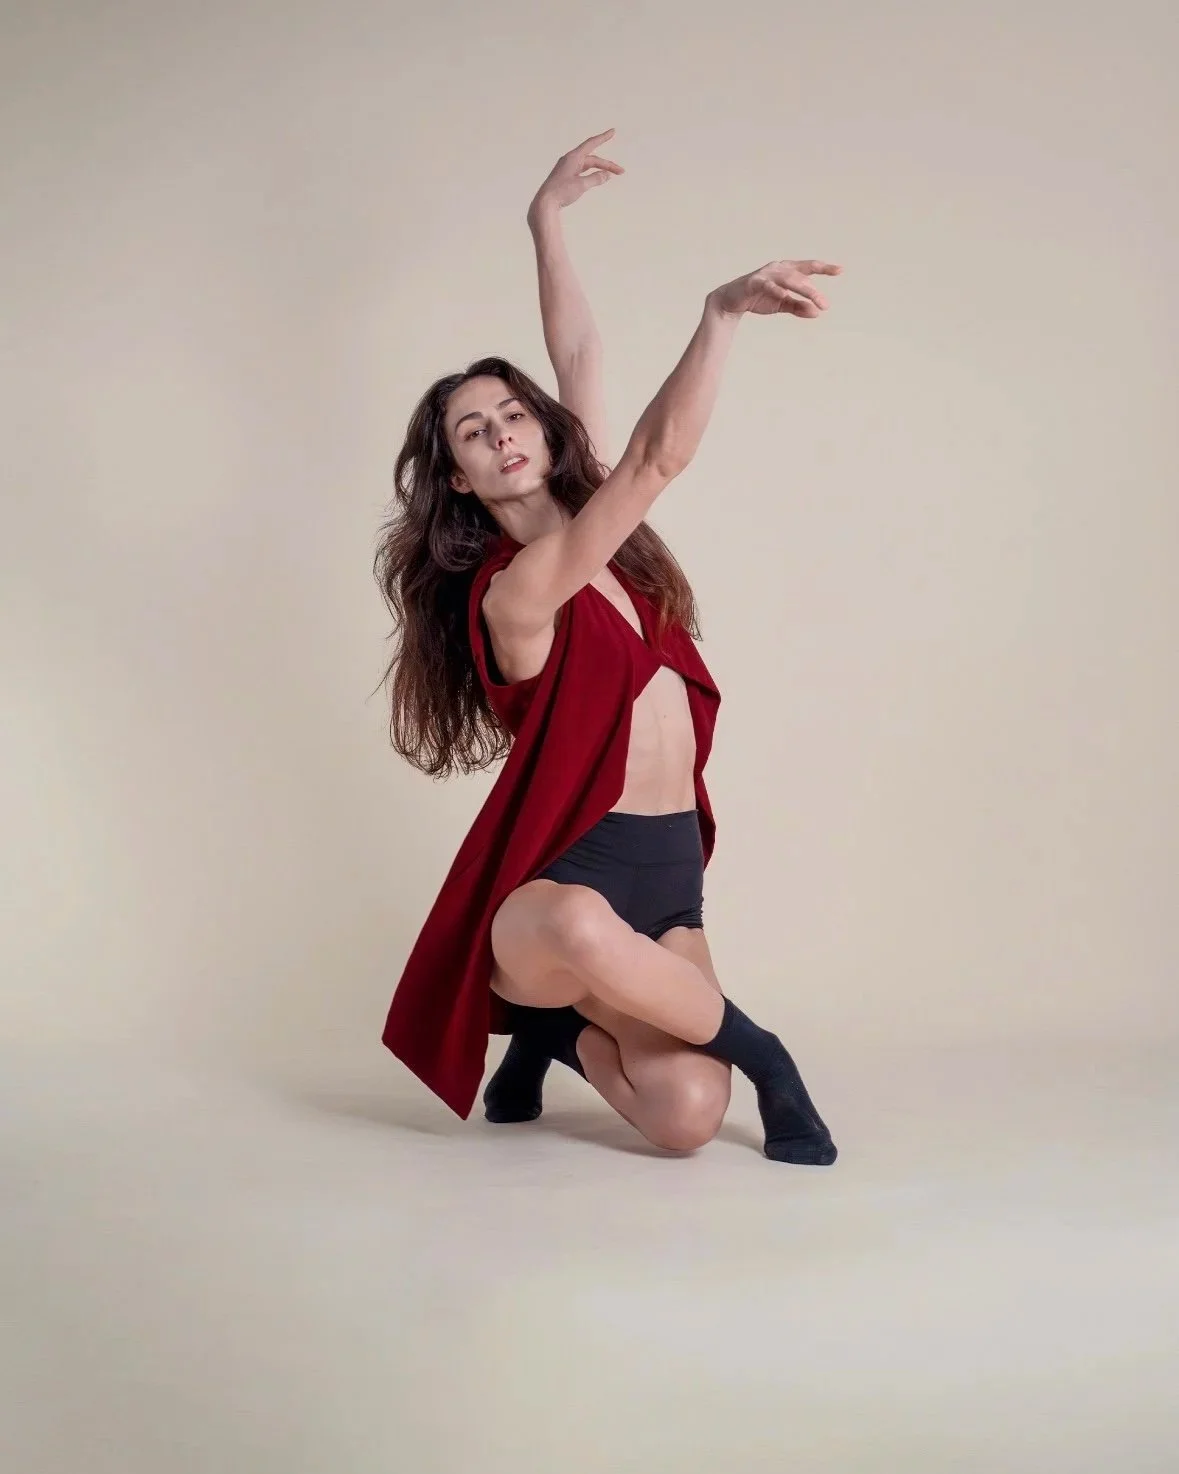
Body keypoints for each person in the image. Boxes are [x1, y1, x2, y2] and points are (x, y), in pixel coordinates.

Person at [375, 131, 842, 1164]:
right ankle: (772, 1060)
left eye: (510, 413)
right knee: (586, 931)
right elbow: (657, 455)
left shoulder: (607, 538)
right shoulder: (518, 591)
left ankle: (553, 1038)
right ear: (458, 477)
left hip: (668, 874)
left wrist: (543, 221)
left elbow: (579, 354)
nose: (500, 432)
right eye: (469, 432)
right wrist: (721, 315)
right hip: (556, 899)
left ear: (540, 430)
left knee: (680, 1121)